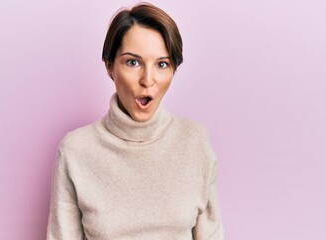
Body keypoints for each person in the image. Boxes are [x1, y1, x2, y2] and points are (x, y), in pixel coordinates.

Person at [47, 3, 224, 240]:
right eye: (133, 62)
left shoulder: (195, 141)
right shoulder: (76, 151)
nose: (147, 80)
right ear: (110, 66)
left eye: (162, 64)